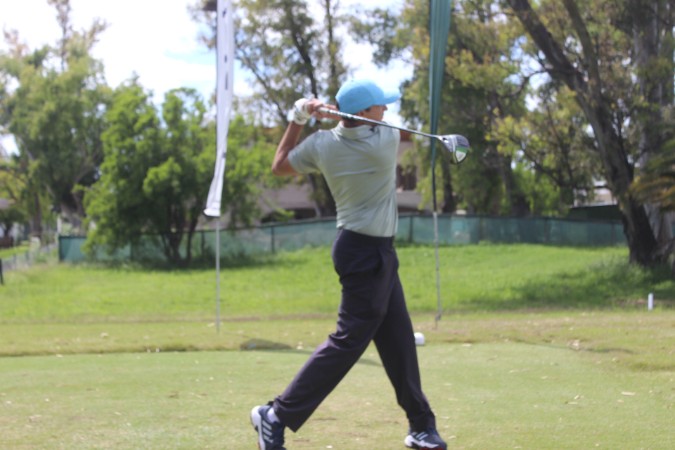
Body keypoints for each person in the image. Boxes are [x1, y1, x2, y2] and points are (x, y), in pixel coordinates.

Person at [250, 79, 447, 450]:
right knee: (348, 342)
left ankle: (422, 425)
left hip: (368, 250)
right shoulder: (383, 141)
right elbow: (385, 128)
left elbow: (279, 165)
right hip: (365, 254)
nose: (386, 110)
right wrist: (329, 116)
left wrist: (299, 117)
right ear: (364, 112)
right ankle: (275, 415)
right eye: (380, 105)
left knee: (398, 338)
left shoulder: (322, 145)